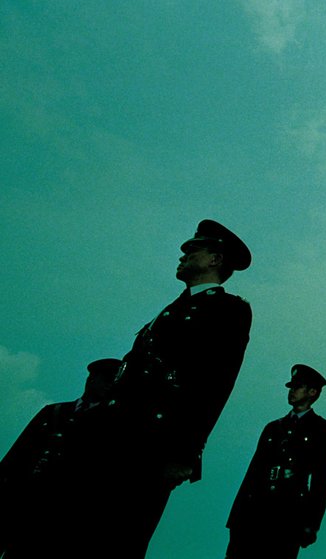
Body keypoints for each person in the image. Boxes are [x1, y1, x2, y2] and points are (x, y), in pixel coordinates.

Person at [79, 219, 253, 558]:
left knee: (120, 538)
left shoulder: (229, 310)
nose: (183, 254)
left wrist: (185, 452)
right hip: (111, 433)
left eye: (193, 249)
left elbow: (216, 382)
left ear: (215, 259)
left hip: (153, 442)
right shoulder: (170, 311)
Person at [0, 358, 120, 557]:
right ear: (92, 378)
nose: (110, 385)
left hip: (61, 514)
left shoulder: (111, 424)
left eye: (115, 382)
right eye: (106, 379)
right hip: (22, 502)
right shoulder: (53, 412)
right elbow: (18, 454)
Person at [226, 364, 326, 559]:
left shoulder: (322, 429)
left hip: (288, 516)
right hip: (254, 512)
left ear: (312, 392)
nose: (292, 391)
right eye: (291, 387)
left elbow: (322, 479)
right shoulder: (273, 428)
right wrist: (236, 517)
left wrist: (311, 524)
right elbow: (253, 472)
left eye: (298, 387)